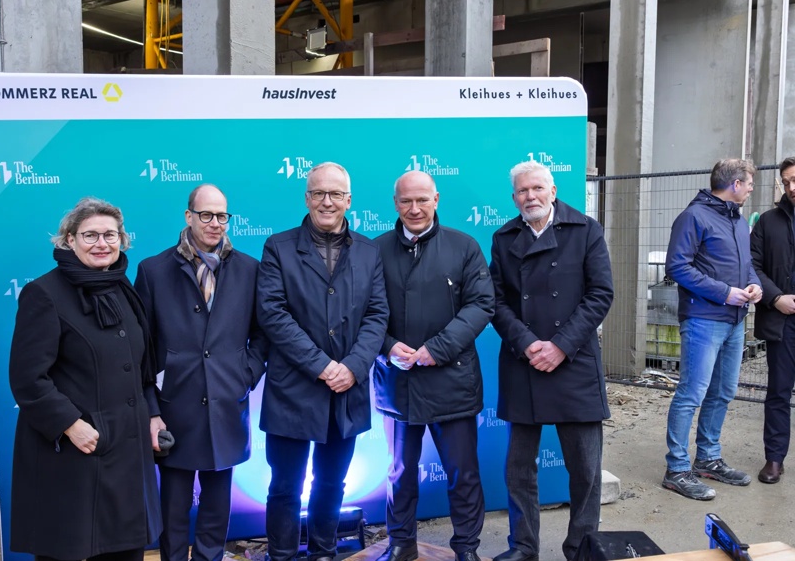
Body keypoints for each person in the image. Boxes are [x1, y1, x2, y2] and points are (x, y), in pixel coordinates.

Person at [9, 197, 161, 561]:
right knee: (69, 548)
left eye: (110, 235)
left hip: (127, 447)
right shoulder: (43, 294)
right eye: (90, 235)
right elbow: (28, 378)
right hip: (75, 451)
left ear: (123, 240)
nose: (101, 243)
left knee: (124, 548)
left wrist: (152, 415)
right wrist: (69, 424)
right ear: (69, 240)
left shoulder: (124, 288)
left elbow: (142, 368)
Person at [257, 162, 389, 561]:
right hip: (293, 389)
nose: (326, 201)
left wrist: (352, 366)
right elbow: (272, 313)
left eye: (335, 194)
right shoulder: (277, 248)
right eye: (318, 193)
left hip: (346, 390)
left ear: (349, 200)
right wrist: (321, 365)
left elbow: (377, 315)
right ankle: (280, 555)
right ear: (307, 198)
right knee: (285, 485)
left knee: (332, 483)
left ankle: (324, 553)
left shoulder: (369, 251)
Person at [135, 184, 269, 561]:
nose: (214, 224)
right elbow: (141, 350)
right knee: (174, 505)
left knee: (216, 503)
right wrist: (152, 408)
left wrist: (246, 374)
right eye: (206, 215)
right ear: (188, 216)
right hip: (174, 405)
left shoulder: (248, 269)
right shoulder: (153, 270)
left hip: (228, 403)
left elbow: (262, 334)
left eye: (222, 216)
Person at [489, 160, 614, 561]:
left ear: (553, 191)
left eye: (538, 189)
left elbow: (600, 294)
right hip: (523, 362)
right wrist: (527, 343)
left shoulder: (586, 230)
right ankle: (523, 547)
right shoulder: (503, 237)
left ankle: (581, 548)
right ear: (514, 198)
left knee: (586, 471)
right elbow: (496, 301)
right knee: (519, 470)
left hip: (573, 362)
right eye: (523, 191)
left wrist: (560, 345)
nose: (531, 197)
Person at [373, 170, 494, 561]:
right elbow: (364, 315)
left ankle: (466, 548)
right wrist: (390, 348)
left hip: (452, 380)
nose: (414, 208)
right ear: (395, 204)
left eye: (422, 200)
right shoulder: (374, 251)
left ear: (436, 199)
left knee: (464, 474)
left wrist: (436, 349)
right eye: (406, 201)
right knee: (400, 474)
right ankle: (401, 543)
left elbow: (481, 305)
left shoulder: (464, 246)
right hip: (398, 382)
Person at [662, 158, 763, 500]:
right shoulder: (694, 217)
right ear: (735, 184)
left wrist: (752, 286)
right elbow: (677, 265)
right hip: (704, 320)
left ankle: (708, 458)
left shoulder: (736, 221)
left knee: (722, 392)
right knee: (692, 394)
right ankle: (676, 469)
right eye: (748, 183)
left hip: (735, 321)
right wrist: (724, 292)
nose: (751, 188)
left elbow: (747, 264)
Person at [750, 157, 795, 484]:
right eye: (786, 182)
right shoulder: (768, 222)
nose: (791, 188)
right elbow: (752, 267)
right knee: (779, 390)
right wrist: (776, 298)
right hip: (783, 321)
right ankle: (774, 459)